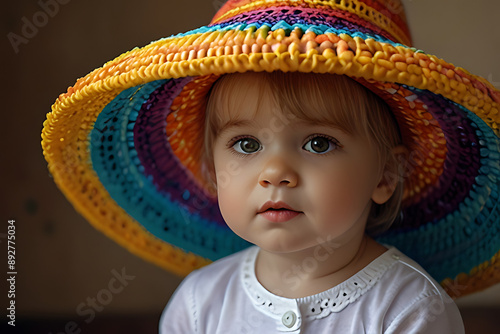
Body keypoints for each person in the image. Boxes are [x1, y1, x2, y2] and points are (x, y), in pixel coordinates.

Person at [41, 0, 500, 333]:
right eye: (245, 144)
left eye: (319, 143)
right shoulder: (200, 304)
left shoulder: (407, 309)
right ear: (212, 169)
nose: (275, 172)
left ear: (384, 176)